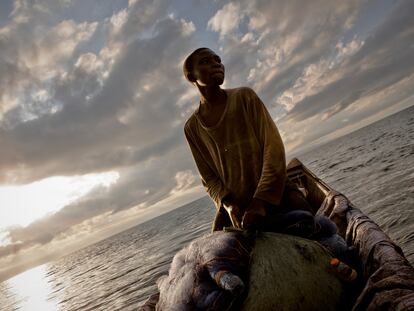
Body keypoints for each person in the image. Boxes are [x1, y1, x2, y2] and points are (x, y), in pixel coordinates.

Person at [183, 47, 313, 232]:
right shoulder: (192, 128)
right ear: (191, 76)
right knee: (214, 254)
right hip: (237, 207)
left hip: (276, 192)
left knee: (312, 226)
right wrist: (228, 205)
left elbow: (273, 148)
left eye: (217, 59)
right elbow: (209, 178)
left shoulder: (245, 97)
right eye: (205, 61)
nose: (216, 64)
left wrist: (260, 201)